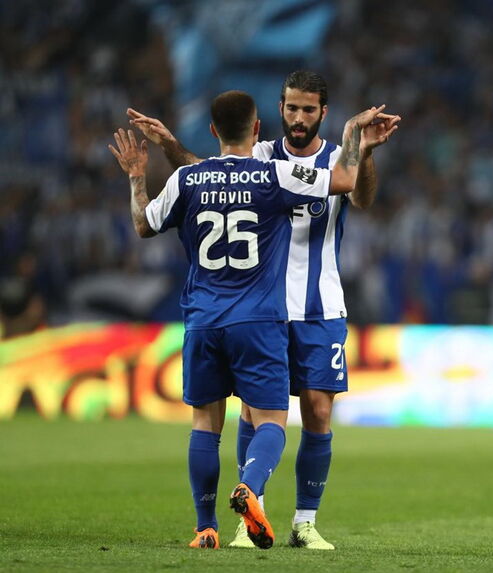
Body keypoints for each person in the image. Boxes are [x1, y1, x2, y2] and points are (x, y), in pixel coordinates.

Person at [126, 71, 400, 550]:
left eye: (308, 110)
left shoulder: (338, 157)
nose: (298, 118)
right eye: (290, 108)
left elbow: (361, 195)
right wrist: (172, 145)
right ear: (275, 112)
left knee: (316, 410)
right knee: (256, 415)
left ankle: (304, 523)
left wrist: (365, 149)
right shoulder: (264, 160)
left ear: (322, 113)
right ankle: (247, 515)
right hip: (264, 310)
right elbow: (213, 171)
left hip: (316, 306)